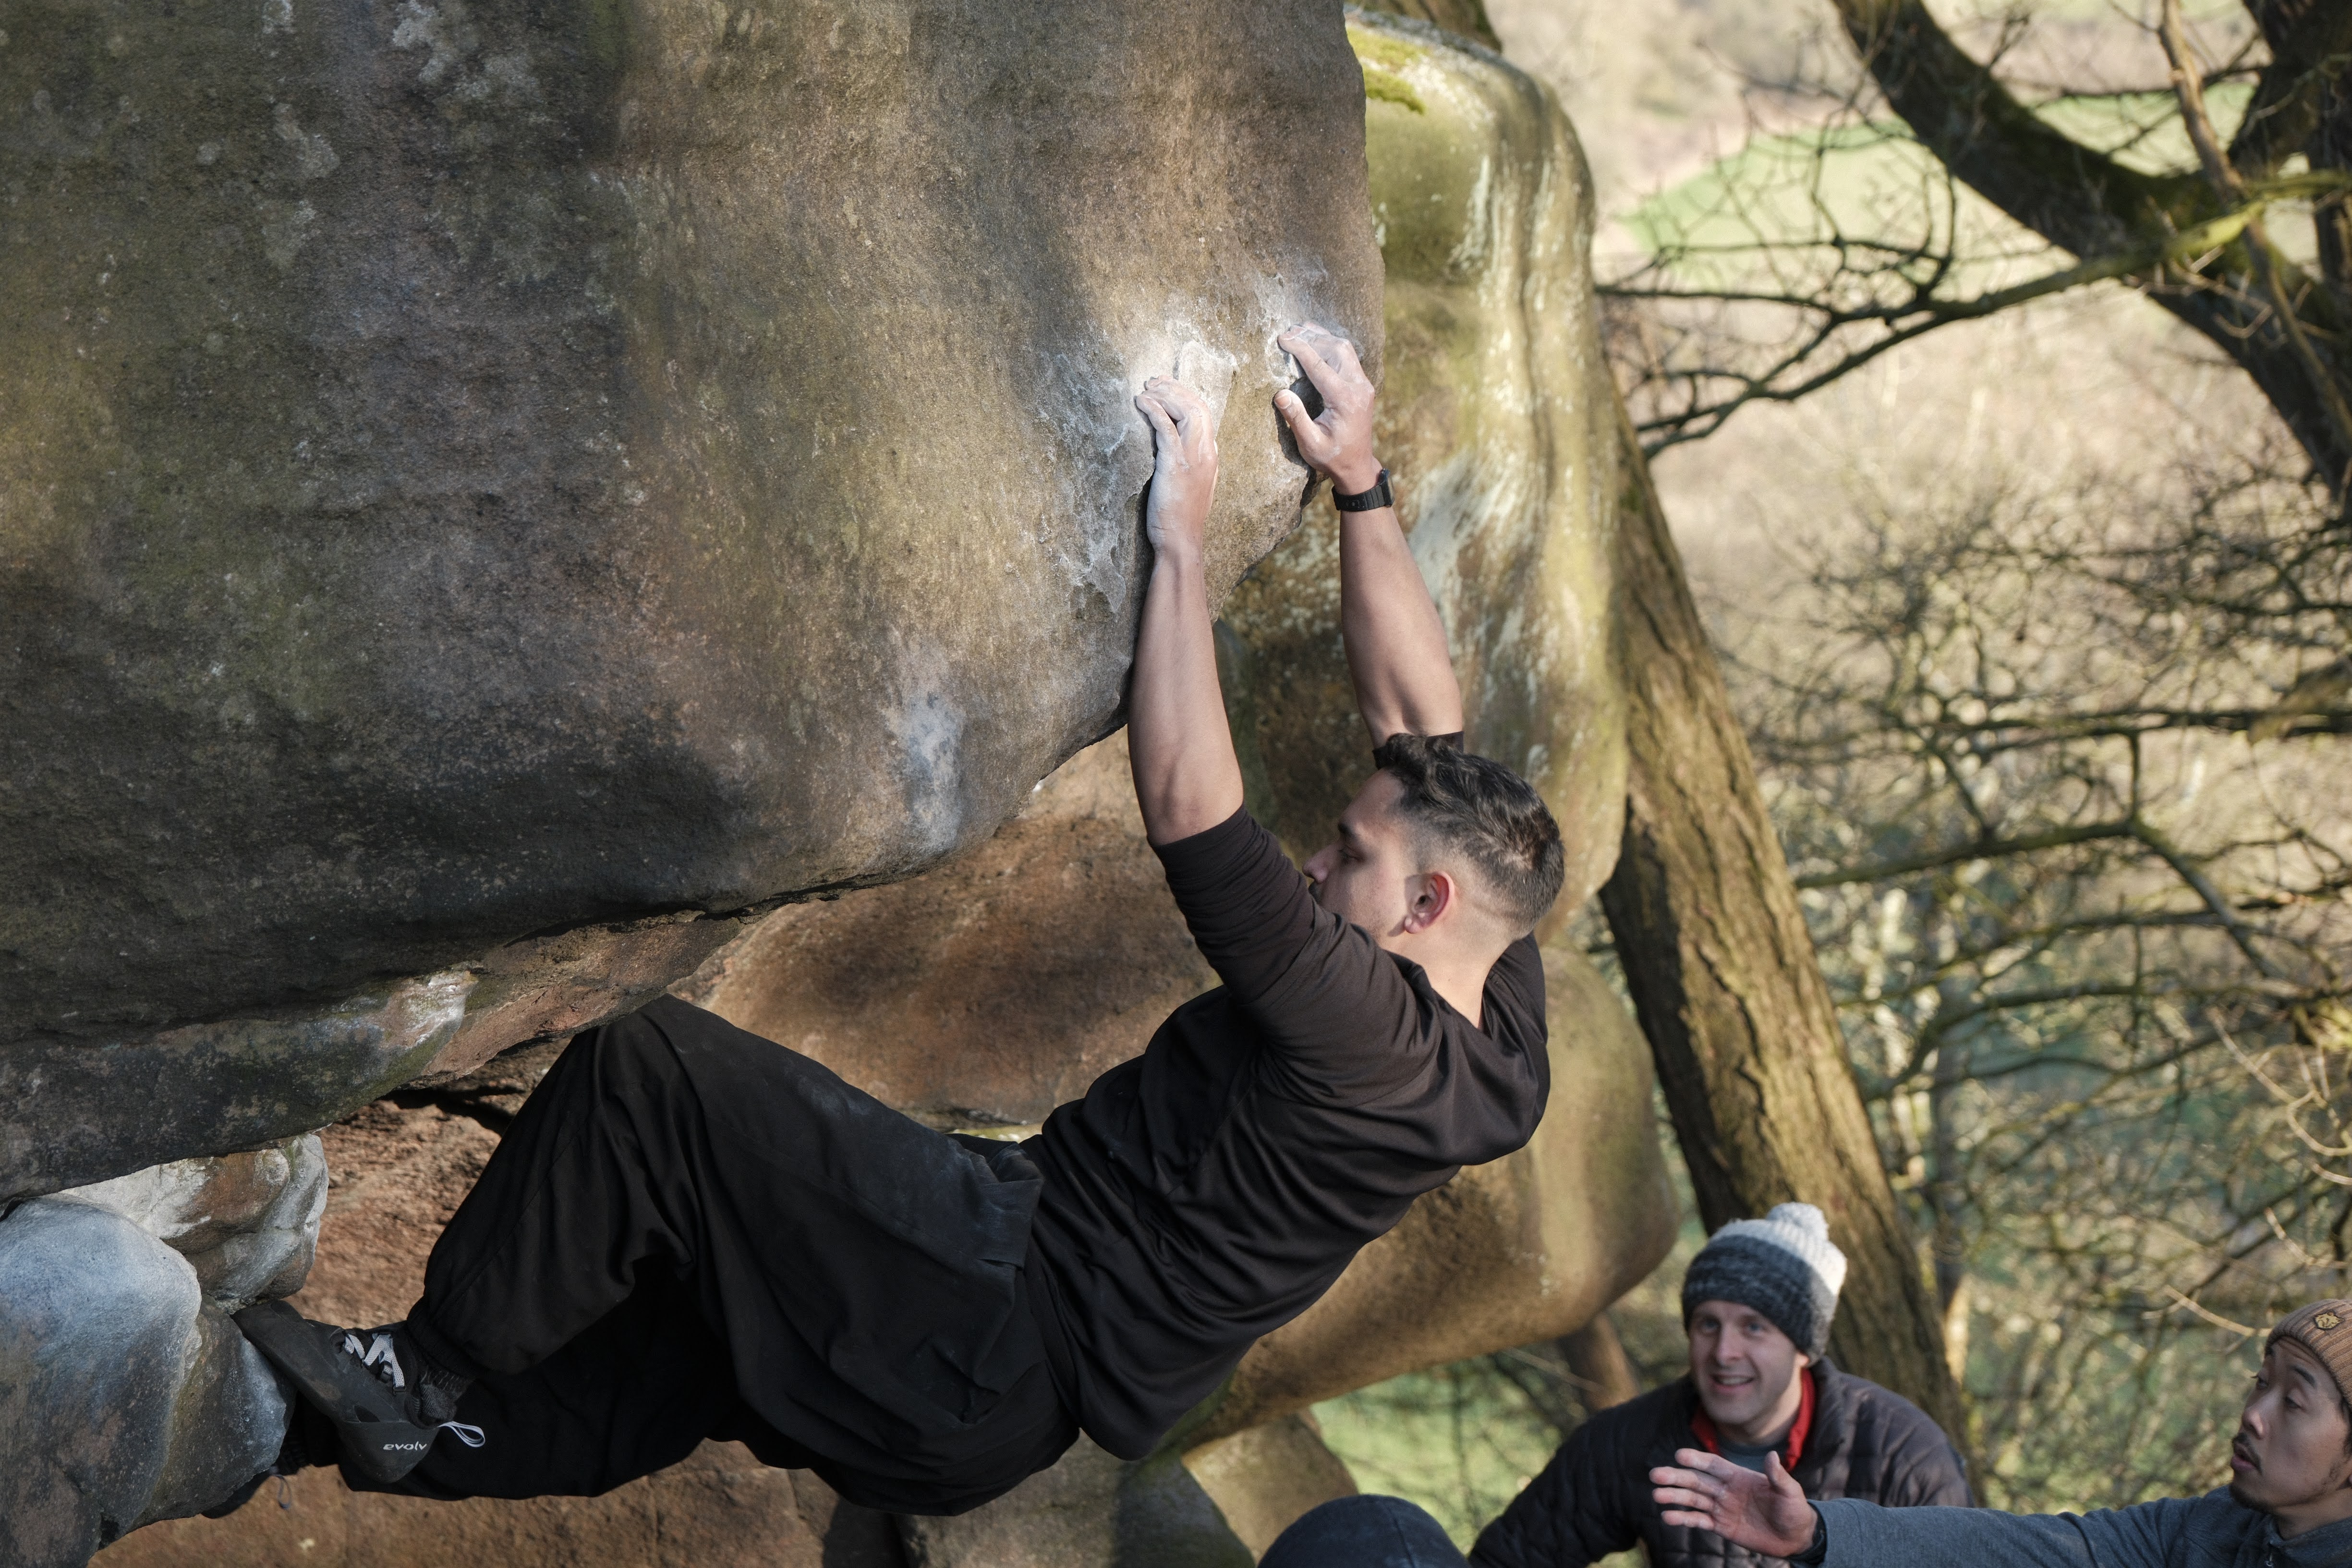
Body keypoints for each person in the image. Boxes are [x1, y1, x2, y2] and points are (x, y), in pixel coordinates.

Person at [231, 320, 1569, 1519]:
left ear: (1427, 904)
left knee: (648, 1075)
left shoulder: (1360, 1029)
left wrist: (1180, 539)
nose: (1320, 863)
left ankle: (420, 1372)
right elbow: (1423, 725)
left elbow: (1191, 810)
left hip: (987, 1319)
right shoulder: (1500, 1039)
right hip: (980, 1389)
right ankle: (299, 1434)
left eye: (1348, 855)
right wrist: (1360, 481)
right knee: (679, 1319)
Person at [1259, 1202, 1969, 1568]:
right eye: (1707, 1324)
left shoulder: (1902, 1454)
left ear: (1805, 1346)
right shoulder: (1636, 1441)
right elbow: (1514, 1560)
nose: (1724, 1352)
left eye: (1754, 1327)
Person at [1650, 1298, 2352, 1568]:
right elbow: (2024, 1548)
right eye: (2260, 1380)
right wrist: (1819, 1533)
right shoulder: (2209, 1530)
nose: (2253, 1413)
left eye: (2293, 1400)